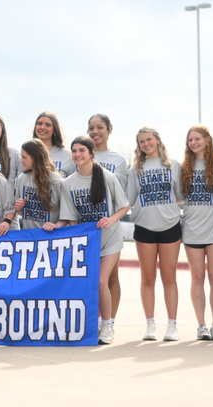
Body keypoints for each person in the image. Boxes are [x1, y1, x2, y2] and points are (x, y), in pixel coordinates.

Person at [57, 136, 129, 344]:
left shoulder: (107, 177)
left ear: (91, 153)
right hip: (87, 242)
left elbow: (124, 206)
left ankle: (107, 327)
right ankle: (94, 324)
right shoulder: (68, 183)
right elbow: (70, 219)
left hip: (110, 239)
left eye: (81, 150)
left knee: (100, 281)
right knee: (89, 283)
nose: (77, 154)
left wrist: (112, 218)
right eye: (74, 151)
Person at [126, 127, 183, 341]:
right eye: (141, 141)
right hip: (144, 228)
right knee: (147, 278)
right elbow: (128, 200)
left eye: (148, 139)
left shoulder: (173, 165)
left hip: (170, 226)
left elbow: (179, 196)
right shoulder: (135, 170)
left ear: (157, 140)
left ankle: (172, 325)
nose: (145, 144)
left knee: (169, 277)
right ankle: (150, 324)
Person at [180, 125, 213, 340]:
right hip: (192, 231)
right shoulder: (183, 167)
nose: (193, 142)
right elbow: (177, 199)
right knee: (197, 277)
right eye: (190, 139)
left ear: (207, 140)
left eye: (197, 138)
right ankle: (201, 326)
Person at [87, 113, 129, 331]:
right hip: (87, 227)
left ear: (109, 129)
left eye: (99, 127)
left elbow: (122, 197)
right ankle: (92, 320)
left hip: (110, 225)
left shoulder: (118, 161)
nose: (95, 132)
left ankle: (109, 322)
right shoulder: (82, 155)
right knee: (91, 276)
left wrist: (112, 218)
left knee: (111, 275)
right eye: (91, 128)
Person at [14, 139, 63, 230]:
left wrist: (55, 225)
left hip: (51, 238)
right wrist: (18, 208)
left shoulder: (56, 181)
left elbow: (67, 216)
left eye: (24, 157)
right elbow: (21, 213)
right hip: (29, 238)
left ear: (35, 158)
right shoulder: (22, 178)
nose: (21, 160)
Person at [32, 111, 74, 177]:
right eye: (39, 124)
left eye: (48, 125)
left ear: (54, 130)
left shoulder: (67, 155)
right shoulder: (28, 153)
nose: (42, 127)